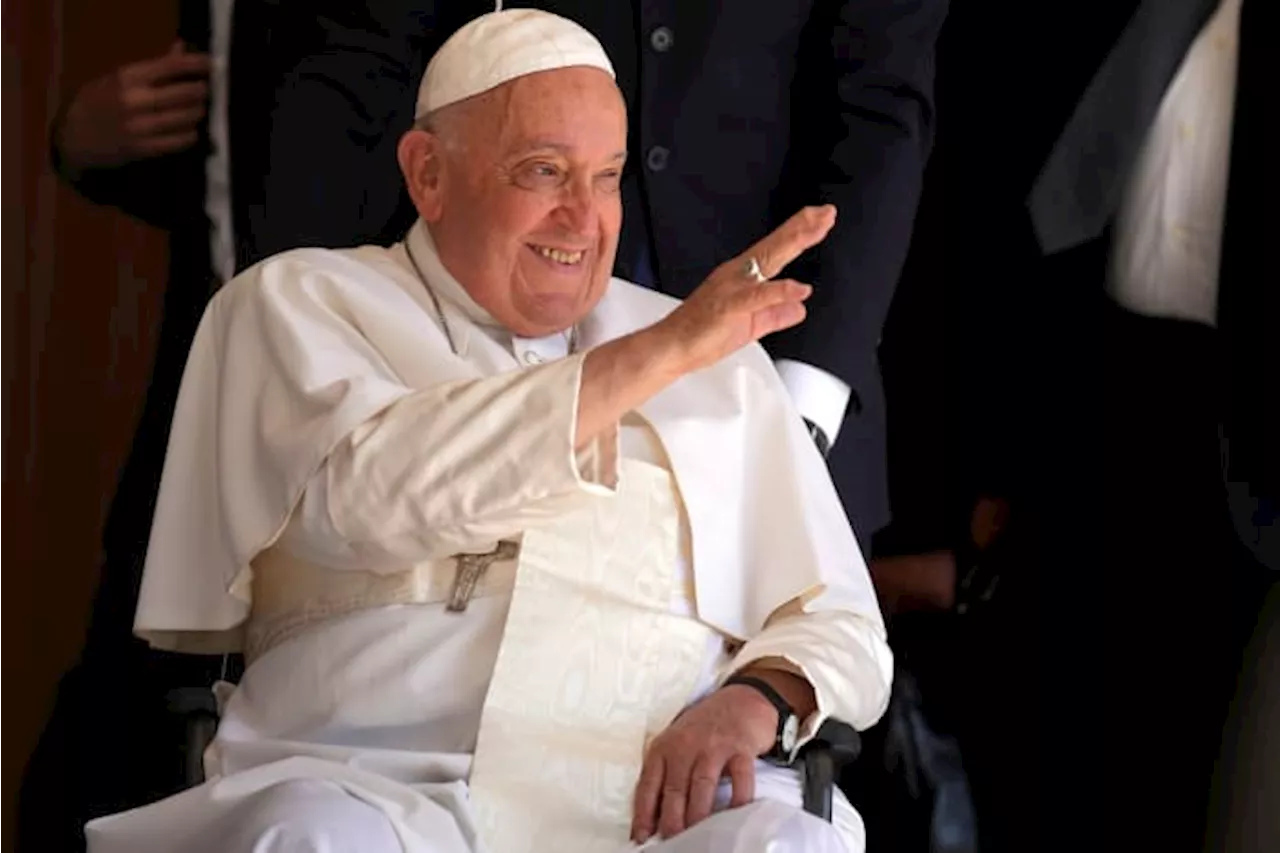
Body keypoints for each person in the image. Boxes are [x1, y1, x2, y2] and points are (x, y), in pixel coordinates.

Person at [83, 11, 893, 853]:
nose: (584, 219)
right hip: (376, 787)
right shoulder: (296, 304)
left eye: (607, 177)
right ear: (428, 174)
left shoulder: (712, 356)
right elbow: (374, 494)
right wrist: (659, 355)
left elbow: (842, 623)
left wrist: (759, 694)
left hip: (646, 809)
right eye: (545, 171)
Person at [247, 0, 947, 550]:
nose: (586, 211)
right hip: (463, 353)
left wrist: (797, 411)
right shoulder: (316, 308)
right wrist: (329, 333)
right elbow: (360, 61)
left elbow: (883, 102)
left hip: (778, 349)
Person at [939, 0, 1274, 847]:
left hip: (1248, 449)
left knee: (1207, 765)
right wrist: (998, 458)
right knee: (1056, 729)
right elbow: (1006, 208)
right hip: (1093, 394)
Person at [18, 2, 278, 848]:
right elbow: (231, 192)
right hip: (192, 406)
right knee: (108, 756)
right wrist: (83, 144)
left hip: (363, 410)